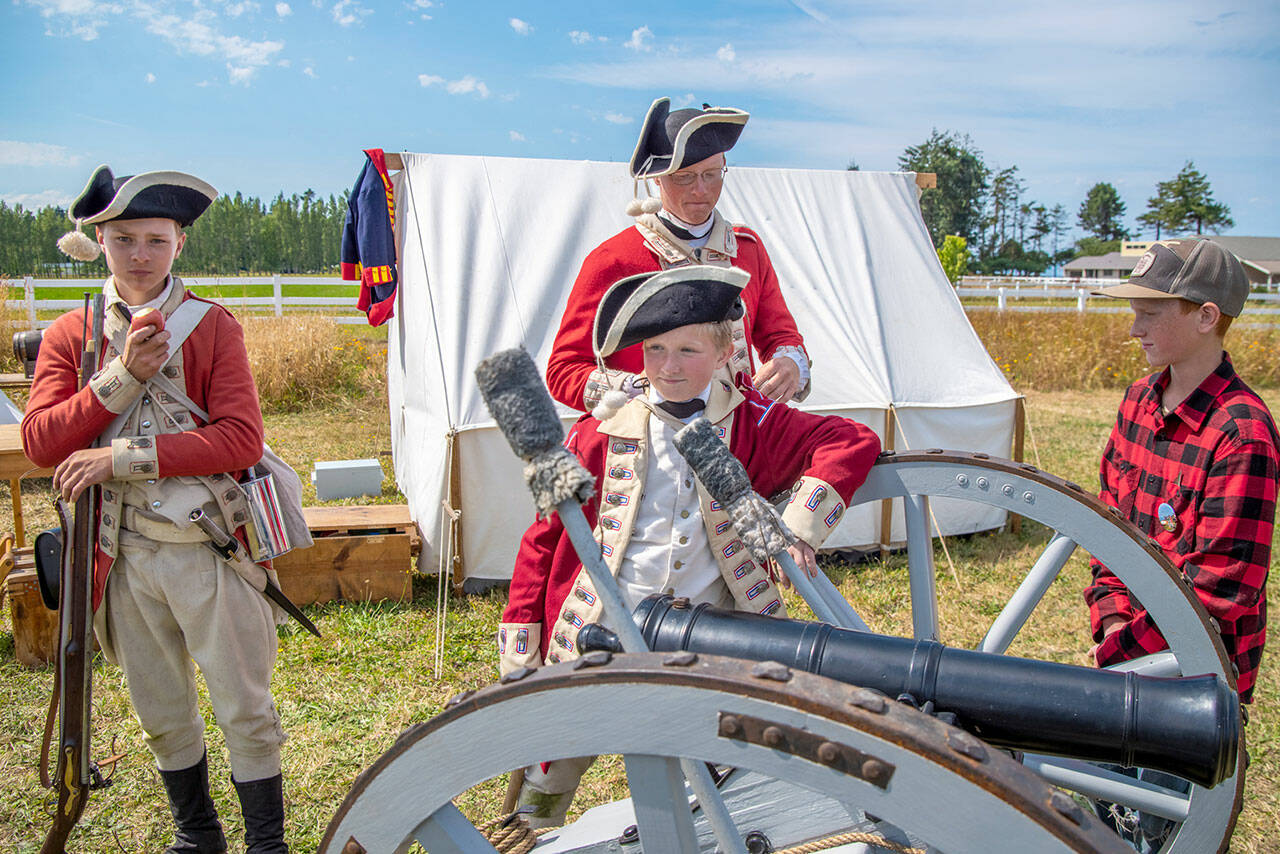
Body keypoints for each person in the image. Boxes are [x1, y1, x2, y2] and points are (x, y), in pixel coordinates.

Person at [500, 265, 881, 825]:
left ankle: (705, 826)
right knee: (553, 760)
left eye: (687, 350)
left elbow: (851, 438)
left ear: (727, 353)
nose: (668, 367)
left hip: (710, 634)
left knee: (718, 766)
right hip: (600, 624)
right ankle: (530, 828)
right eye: (655, 350)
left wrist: (796, 528)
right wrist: (521, 635)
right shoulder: (592, 432)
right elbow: (544, 538)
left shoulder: (753, 422)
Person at [22, 166, 290, 853]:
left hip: (208, 548)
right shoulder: (70, 334)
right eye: (123, 240)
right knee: (162, 713)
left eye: (155, 239)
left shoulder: (211, 326)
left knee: (245, 711)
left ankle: (267, 845)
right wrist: (122, 378)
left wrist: (120, 459)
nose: (139, 254)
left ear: (179, 245)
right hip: (122, 552)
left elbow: (239, 439)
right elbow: (42, 442)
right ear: (101, 243)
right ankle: (197, 835)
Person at [1086, 238, 1277, 705]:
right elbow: (1108, 528)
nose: (1135, 329)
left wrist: (1122, 651)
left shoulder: (1242, 434)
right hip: (1129, 649)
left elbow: (1219, 589)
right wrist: (1112, 620)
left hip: (1195, 675)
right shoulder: (1137, 402)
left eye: (1150, 314)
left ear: (1206, 317)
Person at [546, 97, 812, 413]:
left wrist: (789, 361)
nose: (701, 190)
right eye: (684, 176)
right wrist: (635, 391)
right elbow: (563, 369)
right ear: (657, 177)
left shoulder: (748, 248)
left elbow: (779, 334)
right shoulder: (613, 258)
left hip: (741, 436)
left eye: (712, 174)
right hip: (649, 441)